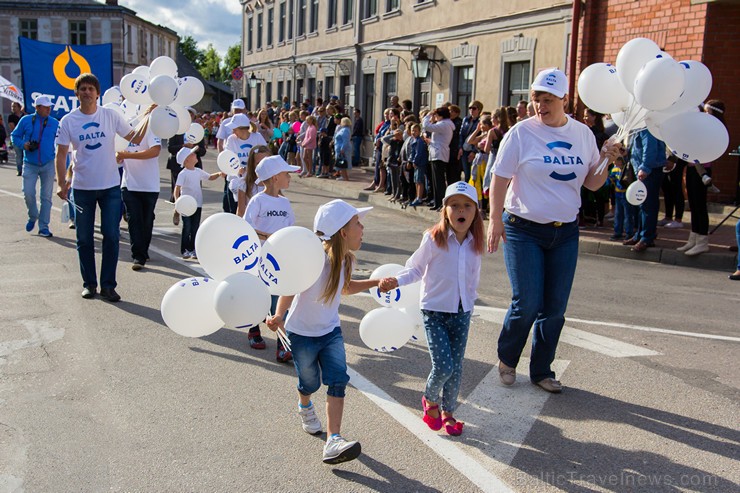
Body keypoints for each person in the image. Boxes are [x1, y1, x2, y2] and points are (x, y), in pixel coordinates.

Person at [487, 68, 621, 393]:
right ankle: (507, 358)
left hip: (566, 233)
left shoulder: (583, 134)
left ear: (563, 99)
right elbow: (500, 178)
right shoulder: (520, 133)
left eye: (547, 100)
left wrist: (606, 161)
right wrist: (494, 219)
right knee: (527, 302)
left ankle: (541, 371)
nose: (540, 106)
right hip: (524, 229)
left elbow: (591, 182)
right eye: (535, 99)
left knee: (555, 307)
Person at [266, 199, 379, 464]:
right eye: (357, 223)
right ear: (342, 232)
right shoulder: (312, 260)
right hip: (301, 334)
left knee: (338, 379)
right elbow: (291, 287)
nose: (362, 228)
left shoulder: (345, 261)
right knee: (310, 383)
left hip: (330, 332)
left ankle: (334, 440)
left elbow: (345, 288)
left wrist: (375, 283)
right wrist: (279, 316)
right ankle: (305, 404)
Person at [379, 182, 484, 436]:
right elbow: (415, 268)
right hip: (435, 312)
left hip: (462, 312)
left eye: (467, 206)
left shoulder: (474, 243)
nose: (461, 210)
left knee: (457, 367)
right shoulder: (434, 238)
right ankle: (430, 400)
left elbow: (473, 277)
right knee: (444, 366)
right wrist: (397, 280)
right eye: (455, 205)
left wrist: (470, 301)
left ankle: (448, 412)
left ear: (475, 212)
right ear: (445, 210)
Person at [55, 73, 138, 302]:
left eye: (91, 88)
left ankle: (108, 286)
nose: (87, 92)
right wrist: (62, 183)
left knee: (111, 236)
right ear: (77, 93)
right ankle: (89, 284)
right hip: (82, 189)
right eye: (83, 88)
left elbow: (134, 137)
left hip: (110, 187)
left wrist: (151, 116)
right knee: (84, 238)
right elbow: (61, 154)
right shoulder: (68, 121)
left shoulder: (110, 116)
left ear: (98, 93)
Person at [245, 155, 300, 361]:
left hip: (281, 260)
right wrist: (270, 238)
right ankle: (253, 329)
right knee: (258, 295)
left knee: (280, 299)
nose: (290, 177)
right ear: (276, 177)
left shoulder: (285, 203)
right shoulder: (257, 200)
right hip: (261, 260)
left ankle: (283, 345)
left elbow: (291, 229)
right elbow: (247, 227)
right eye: (287, 174)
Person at [677, 100, 726, 256]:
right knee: (692, 204)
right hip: (692, 168)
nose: (704, 115)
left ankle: (702, 241)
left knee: (700, 205)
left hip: (703, 170)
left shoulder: (715, 130)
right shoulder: (703, 126)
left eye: (707, 112)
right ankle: (694, 237)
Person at [11, 95, 60, 237]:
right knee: (28, 194)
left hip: (48, 163)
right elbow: (15, 136)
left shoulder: (54, 122)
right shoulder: (26, 120)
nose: (48, 109)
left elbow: (63, 141)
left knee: (46, 197)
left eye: (49, 106)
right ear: (37, 107)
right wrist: (23, 145)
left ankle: (43, 226)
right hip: (30, 164)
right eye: (45, 107)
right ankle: (33, 216)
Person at [115, 124, 161, 271]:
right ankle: (138, 257)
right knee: (134, 219)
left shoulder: (151, 128)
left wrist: (127, 155)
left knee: (147, 220)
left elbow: (155, 151)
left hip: (149, 185)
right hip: (129, 184)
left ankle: (143, 250)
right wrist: (118, 157)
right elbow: (116, 157)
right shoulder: (123, 131)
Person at [174, 147, 223, 259]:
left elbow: (210, 177)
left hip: (197, 204)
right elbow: (177, 189)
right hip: (186, 205)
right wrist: (178, 202)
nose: (195, 154)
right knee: (187, 227)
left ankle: (193, 249)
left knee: (195, 227)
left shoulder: (198, 171)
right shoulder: (183, 173)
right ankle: (185, 249)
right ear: (186, 160)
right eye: (192, 154)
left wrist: (219, 173)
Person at [623, 129, 666, 252]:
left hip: (650, 171)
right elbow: (639, 147)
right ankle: (640, 235)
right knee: (642, 204)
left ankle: (647, 237)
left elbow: (650, 147)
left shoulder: (647, 127)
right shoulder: (639, 127)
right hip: (642, 169)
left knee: (648, 205)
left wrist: (645, 168)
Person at [167, 107, 206, 226]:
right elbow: (170, 148)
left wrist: (195, 148)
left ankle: (192, 213)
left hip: (193, 165)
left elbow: (203, 151)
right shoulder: (176, 130)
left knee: (193, 189)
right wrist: (183, 146)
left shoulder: (197, 130)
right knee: (178, 189)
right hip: (177, 165)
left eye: (191, 116)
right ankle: (177, 210)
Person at [422, 106, 456, 212]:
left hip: (439, 154)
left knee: (439, 181)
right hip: (436, 152)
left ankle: (442, 203)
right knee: (435, 180)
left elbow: (426, 125)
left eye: (436, 115)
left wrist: (428, 115)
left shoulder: (444, 124)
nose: (434, 117)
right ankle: (437, 203)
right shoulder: (443, 124)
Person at [234, 145, 270, 218]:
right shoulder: (244, 184)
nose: (263, 166)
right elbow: (241, 211)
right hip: (251, 226)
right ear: (252, 164)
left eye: (265, 162)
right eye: (258, 163)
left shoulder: (275, 182)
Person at [607, 156, 634, 241]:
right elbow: (610, 179)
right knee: (618, 214)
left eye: (616, 161)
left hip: (626, 193)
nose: (614, 163)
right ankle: (617, 232)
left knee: (628, 214)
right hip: (618, 194)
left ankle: (629, 232)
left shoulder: (627, 169)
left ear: (620, 161)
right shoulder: (615, 170)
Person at [459, 101, 482, 183]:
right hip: (465, 149)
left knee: (473, 174)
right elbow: (461, 134)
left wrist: (474, 151)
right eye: (470, 108)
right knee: (466, 174)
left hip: (473, 150)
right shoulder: (466, 119)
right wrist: (460, 147)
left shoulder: (480, 121)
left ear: (479, 110)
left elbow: (481, 137)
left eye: (474, 108)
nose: (471, 110)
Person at [8, 101, 25, 176]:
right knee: (18, 155)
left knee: (25, 155)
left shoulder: (24, 116)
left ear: (19, 107)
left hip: (25, 138)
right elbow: (12, 127)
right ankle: (19, 170)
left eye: (14, 106)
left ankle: (26, 170)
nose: (13, 108)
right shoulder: (11, 117)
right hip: (16, 138)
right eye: (12, 107)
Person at [334, 117, 351, 182]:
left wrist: (342, 149)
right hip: (339, 148)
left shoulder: (345, 130)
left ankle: (345, 178)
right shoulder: (344, 129)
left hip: (342, 149)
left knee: (342, 163)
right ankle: (343, 176)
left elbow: (345, 140)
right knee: (341, 164)